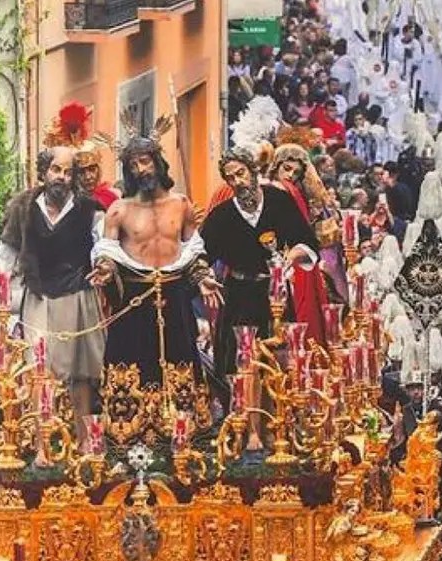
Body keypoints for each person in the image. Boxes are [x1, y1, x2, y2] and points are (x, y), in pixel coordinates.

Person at [0, 144, 105, 444]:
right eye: (56, 170)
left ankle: (85, 441)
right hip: (39, 296)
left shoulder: (89, 209)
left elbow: (103, 247)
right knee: (37, 370)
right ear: (43, 172)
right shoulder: (23, 207)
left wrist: (104, 267)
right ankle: (42, 444)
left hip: (78, 295)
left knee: (81, 374)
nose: (61, 177)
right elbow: (7, 252)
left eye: (68, 172)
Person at [88, 119, 222, 391]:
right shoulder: (119, 210)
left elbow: (193, 249)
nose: (141, 169)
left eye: (145, 161)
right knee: (132, 370)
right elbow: (108, 250)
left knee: (180, 366)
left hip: (174, 296)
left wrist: (202, 277)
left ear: (157, 162)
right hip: (135, 298)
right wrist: (105, 269)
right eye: (133, 165)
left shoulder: (181, 204)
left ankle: (181, 417)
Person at [200, 149, 318, 390]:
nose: (238, 181)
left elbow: (307, 241)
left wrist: (290, 258)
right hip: (238, 296)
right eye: (230, 178)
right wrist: (203, 276)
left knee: (281, 362)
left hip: (274, 293)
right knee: (239, 364)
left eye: (241, 173)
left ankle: (280, 407)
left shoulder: (279, 201)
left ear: (253, 171)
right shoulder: (222, 216)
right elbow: (201, 255)